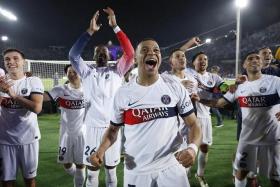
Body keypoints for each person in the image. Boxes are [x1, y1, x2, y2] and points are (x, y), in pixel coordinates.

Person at [89, 38, 201, 187]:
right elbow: (112, 130)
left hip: (172, 168)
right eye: (145, 50)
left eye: (156, 50)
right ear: (135, 59)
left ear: (160, 57)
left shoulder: (174, 86)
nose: (152, 53)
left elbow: (193, 124)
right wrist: (100, 150)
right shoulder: (123, 93)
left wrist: (193, 149)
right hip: (137, 172)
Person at [69, 7, 134, 187]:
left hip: (112, 128)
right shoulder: (86, 72)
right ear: (94, 56)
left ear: (110, 56)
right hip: (91, 127)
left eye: (104, 52)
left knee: (111, 171)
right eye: (98, 52)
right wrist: (90, 31)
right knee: (92, 173)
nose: (101, 54)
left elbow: (130, 54)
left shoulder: (118, 71)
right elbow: (73, 55)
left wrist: (115, 26)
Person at [200, 52, 280, 187]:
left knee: (275, 178)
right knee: (241, 172)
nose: (254, 60)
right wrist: (199, 99)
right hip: (248, 139)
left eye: (257, 58)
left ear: (262, 63)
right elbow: (219, 103)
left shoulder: (275, 81)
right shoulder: (238, 87)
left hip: (272, 139)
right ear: (244, 64)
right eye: (250, 58)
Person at [0, 48, 44, 187]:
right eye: (7, 59)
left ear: (23, 62)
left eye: (15, 58)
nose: (11, 61)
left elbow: (37, 108)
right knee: (7, 182)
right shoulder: (0, 82)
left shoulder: (33, 81)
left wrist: (13, 95)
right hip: (4, 140)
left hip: (29, 139)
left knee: (29, 180)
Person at [43, 64, 86, 187]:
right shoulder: (61, 89)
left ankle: (79, 181)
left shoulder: (88, 89)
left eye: (74, 72)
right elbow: (44, 97)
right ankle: (79, 175)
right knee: (66, 165)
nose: (72, 74)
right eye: (69, 72)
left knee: (80, 164)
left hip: (82, 132)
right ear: (66, 74)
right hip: (66, 133)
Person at [190, 52, 226, 187]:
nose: (203, 61)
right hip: (188, 117)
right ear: (193, 62)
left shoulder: (214, 77)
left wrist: (229, 88)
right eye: (200, 59)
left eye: (205, 59)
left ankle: (200, 174)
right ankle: (183, 173)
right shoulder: (188, 73)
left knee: (204, 147)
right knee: (185, 148)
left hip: (205, 116)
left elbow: (225, 89)